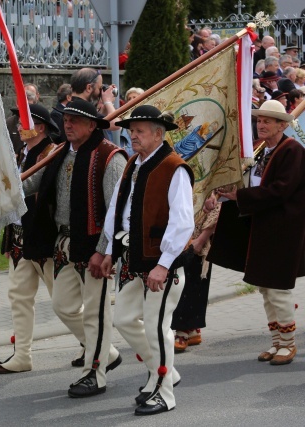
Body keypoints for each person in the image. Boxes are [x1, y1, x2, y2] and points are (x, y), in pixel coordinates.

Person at [23, 98, 126, 398]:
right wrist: (2, 187)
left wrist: (104, 251)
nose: (67, 124)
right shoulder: (58, 154)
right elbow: (33, 184)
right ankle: (107, 352)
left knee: (95, 313)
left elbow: (116, 210)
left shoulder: (110, 158)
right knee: (63, 306)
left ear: (92, 125)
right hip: (64, 243)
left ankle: (95, 373)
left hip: (95, 246)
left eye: (75, 120)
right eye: (66, 119)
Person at [101, 105, 194, 416]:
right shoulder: (132, 164)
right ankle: (163, 371)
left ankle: (165, 392)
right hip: (132, 258)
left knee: (157, 328)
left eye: (140, 130)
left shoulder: (174, 167)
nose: (133, 134)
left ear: (159, 134)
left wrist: (164, 264)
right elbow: (117, 209)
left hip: (160, 264)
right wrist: (109, 252)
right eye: (131, 129)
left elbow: (183, 223)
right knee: (124, 319)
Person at [207, 100, 305, 366]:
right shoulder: (263, 151)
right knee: (264, 287)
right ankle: (276, 342)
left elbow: (280, 191)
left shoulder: (292, 151)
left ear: (282, 125)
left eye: (267, 121)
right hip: (262, 228)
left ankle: (288, 343)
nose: (261, 125)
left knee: (278, 288)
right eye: (259, 120)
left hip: (282, 231)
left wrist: (239, 195)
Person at [0, 104, 65, 374]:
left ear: (41, 127)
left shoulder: (51, 153)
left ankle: (96, 347)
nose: (18, 126)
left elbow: (29, 191)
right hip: (19, 236)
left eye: (26, 121)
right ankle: (22, 354)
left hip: (43, 237)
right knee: (19, 296)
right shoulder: (20, 153)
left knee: (63, 301)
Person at [172, 201, 221, 352]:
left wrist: (201, 239)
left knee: (191, 283)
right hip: (180, 235)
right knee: (185, 282)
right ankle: (192, 329)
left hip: (199, 236)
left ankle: (182, 332)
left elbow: (216, 207)